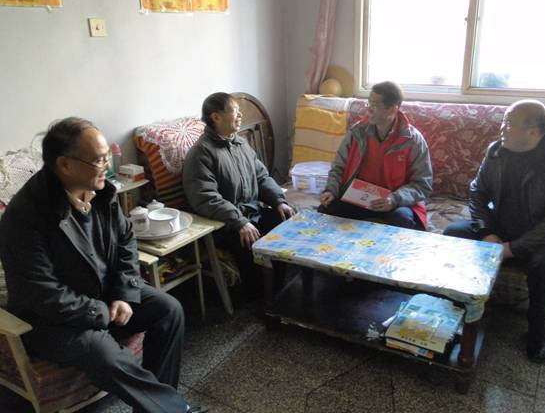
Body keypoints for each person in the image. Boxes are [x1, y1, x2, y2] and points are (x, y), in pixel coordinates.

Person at [0, 118, 207, 413]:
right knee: (102, 352)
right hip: (51, 320)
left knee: (169, 310)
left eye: (107, 155)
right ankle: (174, 410)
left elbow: (125, 242)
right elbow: (41, 293)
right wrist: (101, 311)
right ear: (65, 165)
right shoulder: (25, 217)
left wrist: (123, 294)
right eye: (99, 160)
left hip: (104, 293)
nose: (107, 165)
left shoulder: (100, 192)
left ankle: (156, 409)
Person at [444, 100, 545, 364]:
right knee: (454, 233)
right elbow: (477, 192)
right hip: (502, 227)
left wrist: (511, 249)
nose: (501, 128)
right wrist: (487, 233)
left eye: (508, 124)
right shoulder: (496, 152)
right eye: (503, 121)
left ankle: (539, 332)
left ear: (532, 132)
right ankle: (461, 307)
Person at [183, 92, 294, 299]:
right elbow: (206, 198)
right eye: (235, 111)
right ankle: (258, 296)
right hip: (227, 224)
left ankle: (281, 289)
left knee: (286, 218)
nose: (240, 115)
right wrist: (239, 221)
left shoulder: (240, 143)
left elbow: (261, 176)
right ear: (216, 117)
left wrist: (279, 201)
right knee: (249, 239)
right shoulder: (201, 153)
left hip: (253, 212)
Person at [319, 81, 432, 230]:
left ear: (392, 109)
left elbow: (422, 184)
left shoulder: (413, 140)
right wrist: (331, 190)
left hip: (396, 203)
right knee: (326, 208)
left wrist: (393, 199)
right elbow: (338, 167)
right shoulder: (357, 132)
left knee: (402, 219)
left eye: (375, 105)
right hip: (358, 198)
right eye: (369, 103)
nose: (368, 110)